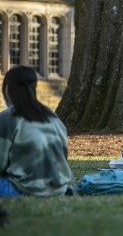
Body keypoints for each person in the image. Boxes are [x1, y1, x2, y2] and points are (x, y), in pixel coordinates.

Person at [0, 66, 72, 197]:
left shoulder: (8, 118)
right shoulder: (52, 117)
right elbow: (63, 156)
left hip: (25, 189)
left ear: (7, 89)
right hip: (58, 189)